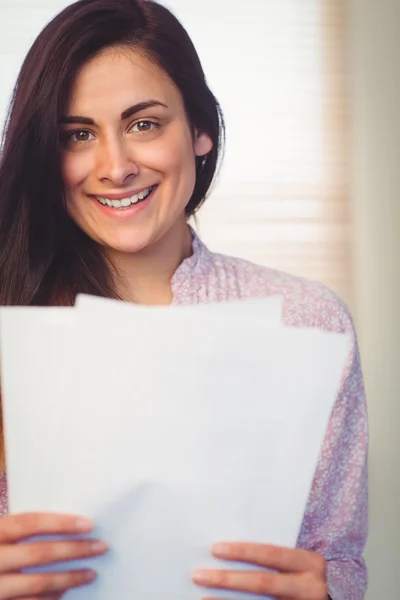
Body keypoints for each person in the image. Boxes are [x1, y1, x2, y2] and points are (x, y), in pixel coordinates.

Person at [0, 0, 368, 598]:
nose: (115, 167)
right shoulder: (10, 323)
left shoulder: (307, 323)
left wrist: (328, 592)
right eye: (78, 134)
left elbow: (342, 560)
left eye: (144, 124)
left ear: (199, 130)